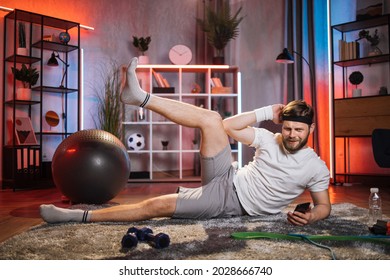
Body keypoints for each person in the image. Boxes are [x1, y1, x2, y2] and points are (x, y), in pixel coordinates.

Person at [40, 57, 331, 227]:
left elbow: (324, 207)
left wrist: (313, 218)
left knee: (156, 206)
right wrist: (268, 112)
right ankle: (139, 97)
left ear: (311, 130)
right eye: (289, 127)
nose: (292, 135)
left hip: (230, 201)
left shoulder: (316, 168)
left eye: (299, 131)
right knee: (211, 117)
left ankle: (75, 217)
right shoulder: (272, 138)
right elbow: (226, 126)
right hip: (228, 175)